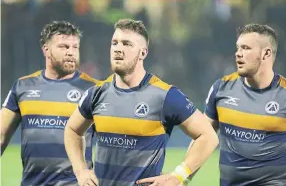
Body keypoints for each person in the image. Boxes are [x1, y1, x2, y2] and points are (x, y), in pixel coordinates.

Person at [64, 18, 219, 186]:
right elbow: (72, 129)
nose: (118, 49)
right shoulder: (96, 93)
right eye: (114, 43)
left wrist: (179, 176)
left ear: (143, 53)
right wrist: (80, 170)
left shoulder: (165, 95)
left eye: (127, 44)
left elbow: (208, 136)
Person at [189, 23, 286, 186]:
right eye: (238, 48)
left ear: (266, 53)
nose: (238, 54)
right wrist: (181, 177)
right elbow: (203, 137)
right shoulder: (221, 88)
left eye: (246, 48)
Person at [0, 20, 99, 186]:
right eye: (63, 47)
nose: (71, 52)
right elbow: (1, 136)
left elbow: (117, 138)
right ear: (46, 50)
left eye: (75, 47)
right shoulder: (23, 86)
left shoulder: (94, 89)